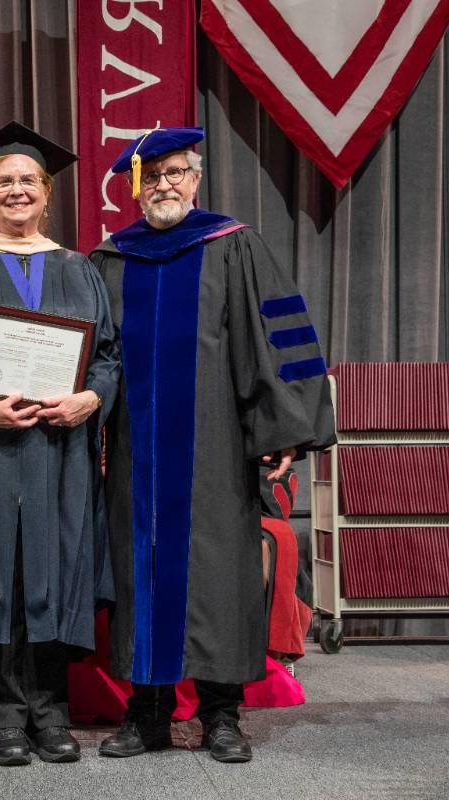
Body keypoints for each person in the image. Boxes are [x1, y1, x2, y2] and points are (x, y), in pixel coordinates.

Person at [89, 127, 335, 764]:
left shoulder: (233, 246)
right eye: (154, 175)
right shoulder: (112, 259)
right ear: (136, 187)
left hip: (217, 446)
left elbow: (277, 338)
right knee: (140, 573)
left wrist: (282, 432)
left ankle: (222, 714)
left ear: (196, 180)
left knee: (218, 575)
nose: (165, 185)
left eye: (177, 173)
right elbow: (93, 358)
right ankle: (147, 714)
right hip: (135, 454)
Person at [0, 122, 120, 766]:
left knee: (58, 573)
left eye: (27, 182)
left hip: (60, 451)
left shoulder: (79, 267)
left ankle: (52, 708)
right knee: (0, 575)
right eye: (3, 181)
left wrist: (89, 399)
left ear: (48, 193)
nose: (16, 192)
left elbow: (107, 356)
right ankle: (6, 714)